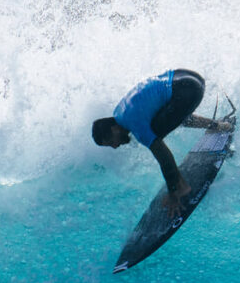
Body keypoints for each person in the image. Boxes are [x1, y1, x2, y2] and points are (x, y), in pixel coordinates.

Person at [92, 69, 231, 216]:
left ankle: (180, 187)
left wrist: (172, 192)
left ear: (114, 129)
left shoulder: (133, 123)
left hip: (188, 89)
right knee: (164, 119)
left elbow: (164, 158)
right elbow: (174, 115)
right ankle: (218, 125)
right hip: (187, 77)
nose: (115, 146)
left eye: (111, 142)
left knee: (156, 134)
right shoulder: (119, 113)